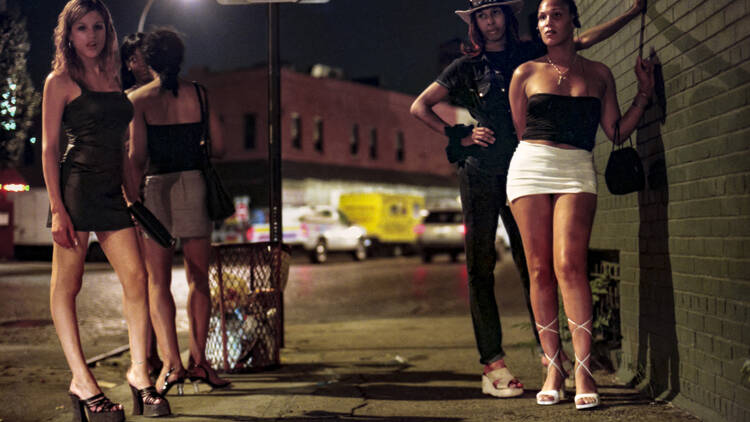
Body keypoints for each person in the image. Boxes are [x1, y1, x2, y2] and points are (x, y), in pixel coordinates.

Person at [410, 0, 644, 398]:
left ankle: (550, 359)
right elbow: (420, 106)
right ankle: (493, 365)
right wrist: (460, 134)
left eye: (495, 13)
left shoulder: (528, 54)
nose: (490, 21)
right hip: (484, 171)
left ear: (507, 17)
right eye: (481, 16)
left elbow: (581, 38)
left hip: (522, 164)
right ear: (475, 25)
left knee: (536, 266)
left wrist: (630, 13)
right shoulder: (467, 66)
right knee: (481, 266)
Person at [507, 0, 653, 409]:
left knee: (569, 264)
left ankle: (584, 370)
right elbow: (522, 129)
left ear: (573, 20)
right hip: (531, 167)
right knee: (538, 269)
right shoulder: (526, 73)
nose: (547, 22)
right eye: (540, 17)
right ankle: (554, 366)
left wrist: (645, 92)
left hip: (577, 168)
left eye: (555, 14)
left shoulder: (600, 73)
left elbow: (616, 130)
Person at [41, 0, 170, 420]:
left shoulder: (113, 76)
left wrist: (133, 199)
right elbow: (48, 148)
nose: (91, 35)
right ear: (69, 35)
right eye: (82, 28)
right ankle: (81, 381)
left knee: (137, 279)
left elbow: (122, 146)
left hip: (114, 194)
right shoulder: (59, 81)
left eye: (98, 26)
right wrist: (57, 209)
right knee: (67, 286)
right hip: (75, 190)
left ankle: (139, 374)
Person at [127, 28, 230, 396]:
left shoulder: (136, 100)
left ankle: (172, 366)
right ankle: (200, 360)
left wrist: (130, 197)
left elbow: (136, 157)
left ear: (149, 61)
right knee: (198, 278)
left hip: (156, 189)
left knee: (158, 282)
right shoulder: (200, 94)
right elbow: (220, 146)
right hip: (194, 184)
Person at [120, 31, 162, 378]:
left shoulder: (163, 95)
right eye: (135, 58)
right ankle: (146, 356)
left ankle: (153, 355)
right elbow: (131, 156)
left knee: (151, 280)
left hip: (155, 188)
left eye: (146, 56)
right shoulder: (127, 101)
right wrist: (132, 201)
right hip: (136, 195)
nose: (141, 63)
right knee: (141, 279)